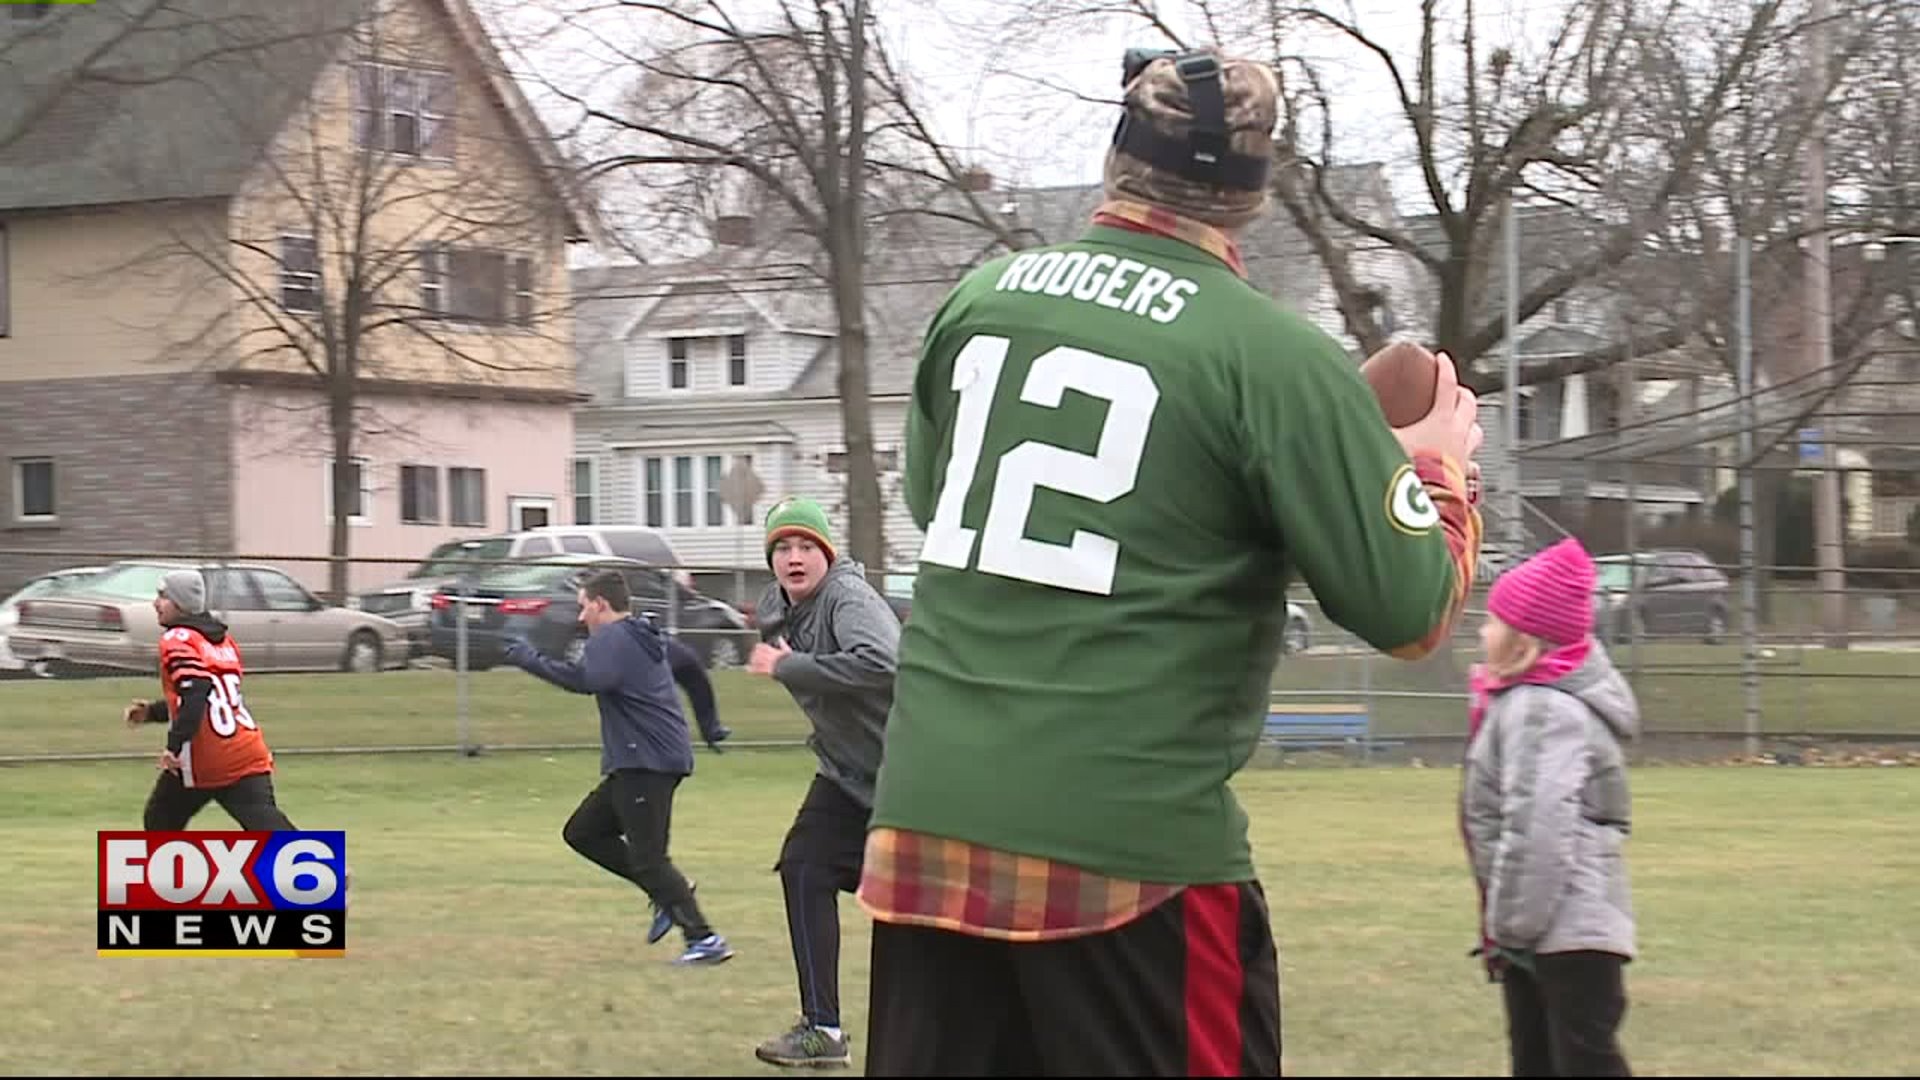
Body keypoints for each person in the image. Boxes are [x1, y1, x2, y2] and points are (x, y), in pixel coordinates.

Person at [855, 46, 1485, 1076]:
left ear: (1116, 155)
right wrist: (1436, 472)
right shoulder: (1271, 356)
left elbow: (941, 505)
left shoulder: (982, 299)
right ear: (1252, 192)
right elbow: (1409, 610)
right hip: (1126, 844)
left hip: (926, 820)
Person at [1461, 538, 1639, 1077]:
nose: (1482, 631)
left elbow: (1538, 825)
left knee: (1581, 1063)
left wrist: (1511, 927)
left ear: (1523, 641)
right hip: (1548, 929)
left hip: (1564, 935)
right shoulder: (1527, 704)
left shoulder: (1543, 710)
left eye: (1493, 621)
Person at [502, 568, 733, 967]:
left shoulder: (611, 639)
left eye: (583, 608)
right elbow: (693, 668)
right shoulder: (649, 635)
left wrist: (528, 659)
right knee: (583, 832)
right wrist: (709, 723)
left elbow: (587, 680)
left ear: (601, 605)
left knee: (650, 859)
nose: (580, 618)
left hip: (645, 761)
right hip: (645, 759)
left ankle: (704, 938)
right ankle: (667, 892)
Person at [744, 496, 899, 1069]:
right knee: (803, 867)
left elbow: (883, 661)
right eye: (782, 548)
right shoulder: (777, 608)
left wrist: (789, 667)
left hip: (903, 774)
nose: (794, 557)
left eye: (807, 546)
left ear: (827, 553)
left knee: (912, 910)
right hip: (843, 770)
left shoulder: (848, 598)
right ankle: (822, 1030)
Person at [123, 569, 303, 833]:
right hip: (246, 750)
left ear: (181, 604)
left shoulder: (177, 639)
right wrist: (153, 712)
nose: (156, 603)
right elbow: (209, 696)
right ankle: (327, 868)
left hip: (208, 755)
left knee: (160, 818)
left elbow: (197, 691)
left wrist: (173, 746)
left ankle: (170, 874)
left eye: (163, 596)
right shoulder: (223, 641)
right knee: (264, 823)